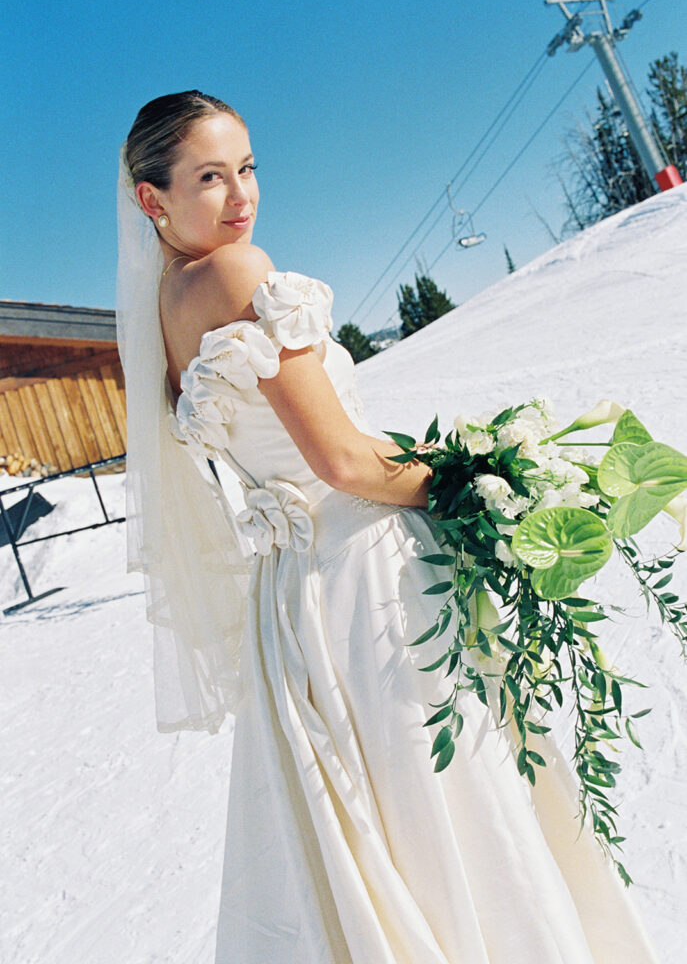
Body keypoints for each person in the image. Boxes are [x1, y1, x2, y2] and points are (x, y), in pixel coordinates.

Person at [117, 91, 660, 964]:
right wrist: (481, 481)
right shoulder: (234, 273)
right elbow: (342, 463)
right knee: (449, 796)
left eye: (247, 167)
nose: (240, 194)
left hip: (292, 596)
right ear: (154, 199)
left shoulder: (165, 309)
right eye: (209, 177)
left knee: (381, 814)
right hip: (361, 573)